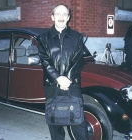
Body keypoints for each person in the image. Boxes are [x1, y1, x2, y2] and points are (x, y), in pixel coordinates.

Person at [38, 4, 89, 140]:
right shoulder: (43, 38)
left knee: (78, 120)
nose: (61, 17)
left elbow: (78, 61)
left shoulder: (77, 37)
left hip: (73, 84)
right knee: (55, 120)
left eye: (64, 14)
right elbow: (45, 61)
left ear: (68, 17)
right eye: (58, 14)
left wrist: (67, 79)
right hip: (52, 84)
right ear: (52, 17)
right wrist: (58, 78)